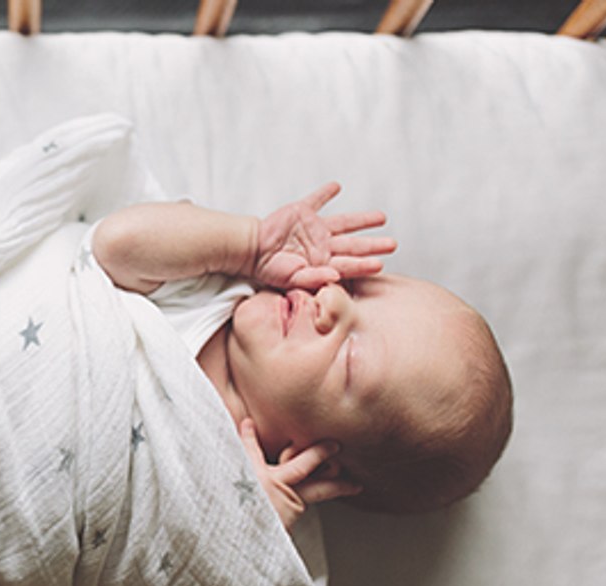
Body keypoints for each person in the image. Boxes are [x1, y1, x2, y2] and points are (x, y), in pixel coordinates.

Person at [90, 182, 513, 528]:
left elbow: (158, 581)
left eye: (350, 353)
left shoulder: (233, 492)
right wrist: (248, 245)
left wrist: (245, 527)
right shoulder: (210, 285)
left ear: (317, 466)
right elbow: (113, 245)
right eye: (353, 288)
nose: (331, 299)